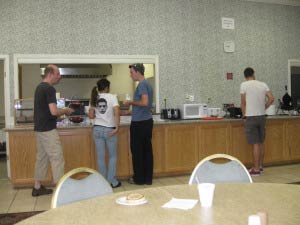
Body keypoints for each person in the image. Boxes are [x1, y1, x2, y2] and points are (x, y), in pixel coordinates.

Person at [32, 64, 73, 196]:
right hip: (48, 130)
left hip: (39, 128)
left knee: (42, 158)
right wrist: (65, 110)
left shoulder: (39, 87)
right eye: (57, 74)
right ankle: (60, 190)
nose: (59, 77)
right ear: (50, 74)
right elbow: (54, 111)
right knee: (57, 158)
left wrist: (57, 114)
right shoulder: (49, 89)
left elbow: (46, 111)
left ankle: (37, 187)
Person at [240, 67, 274, 176]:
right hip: (261, 117)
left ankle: (255, 169)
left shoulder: (244, 85)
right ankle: (260, 166)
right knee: (260, 142)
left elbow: (243, 103)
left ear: (245, 76)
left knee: (255, 144)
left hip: (251, 116)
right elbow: (271, 98)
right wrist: (264, 107)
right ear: (254, 74)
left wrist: (244, 116)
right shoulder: (263, 84)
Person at [124, 63, 153, 185]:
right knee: (146, 151)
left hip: (139, 124)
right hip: (146, 122)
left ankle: (139, 179)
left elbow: (144, 102)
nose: (130, 75)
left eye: (131, 72)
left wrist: (131, 102)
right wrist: (130, 112)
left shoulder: (141, 85)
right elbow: (144, 106)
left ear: (137, 72)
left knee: (137, 151)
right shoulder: (148, 84)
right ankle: (147, 179)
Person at [89, 78, 121, 188]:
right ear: (107, 87)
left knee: (100, 157)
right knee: (112, 156)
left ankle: (103, 183)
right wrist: (117, 127)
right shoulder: (112, 97)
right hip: (109, 129)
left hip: (97, 129)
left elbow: (91, 115)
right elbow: (117, 112)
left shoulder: (94, 97)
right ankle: (112, 181)